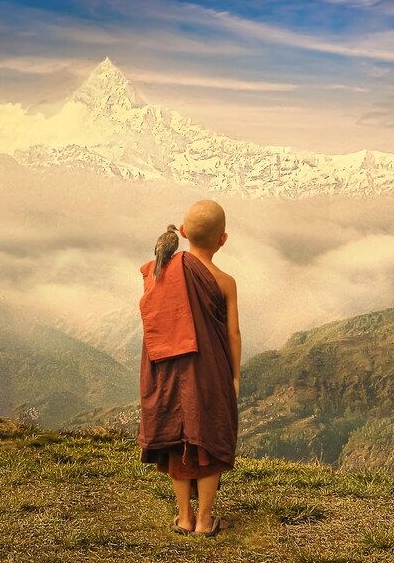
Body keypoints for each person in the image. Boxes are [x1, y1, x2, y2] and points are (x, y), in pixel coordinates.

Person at [137, 199, 241, 537]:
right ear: (222, 239)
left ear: (182, 233)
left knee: (178, 438)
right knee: (208, 439)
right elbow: (233, 333)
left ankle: (183, 516)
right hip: (210, 373)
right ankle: (204, 520)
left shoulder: (164, 270)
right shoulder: (226, 282)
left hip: (170, 371)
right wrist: (235, 376)